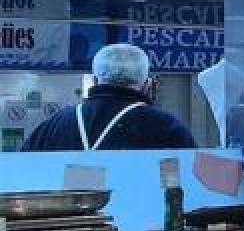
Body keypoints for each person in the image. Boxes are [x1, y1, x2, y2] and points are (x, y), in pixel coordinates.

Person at [22, 43, 197, 151]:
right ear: (146, 84)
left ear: (95, 80)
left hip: (68, 212)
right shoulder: (167, 126)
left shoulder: (55, 124)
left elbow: (24, 170)